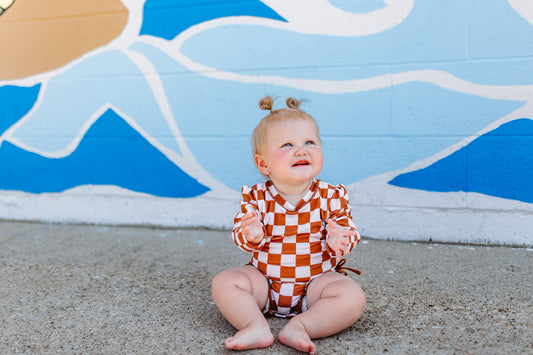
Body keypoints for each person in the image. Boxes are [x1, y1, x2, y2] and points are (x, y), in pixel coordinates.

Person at [211, 96, 366, 354]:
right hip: (264, 283)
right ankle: (254, 325)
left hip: (317, 283)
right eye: (287, 144)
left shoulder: (332, 195)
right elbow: (240, 231)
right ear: (263, 164)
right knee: (225, 282)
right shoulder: (256, 197)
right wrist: (250, 234)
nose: (301, 150)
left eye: (310, 142)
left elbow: (347, 227)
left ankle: (303, 326)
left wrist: (341, 238)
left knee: (352, 297)